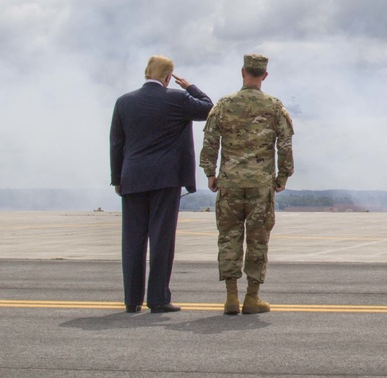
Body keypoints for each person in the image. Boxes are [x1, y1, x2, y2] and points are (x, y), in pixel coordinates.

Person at [110, 55, 213, 313]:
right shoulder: (176, 99)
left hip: (132, 177)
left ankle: (132, 300)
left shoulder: (124, 102)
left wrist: (117, 179)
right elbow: (208, 108)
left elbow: (116, 144)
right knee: (161, 240)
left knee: (132, 241)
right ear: (168, 77)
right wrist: (189, 86)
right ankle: (158, 299)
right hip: (165, 179)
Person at [200, 54, 294, 315]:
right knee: (258, 240)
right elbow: (285, 145)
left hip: (229, 184)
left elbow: (210, 141)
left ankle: (231, 297)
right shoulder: (275, 107)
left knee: (229, 237)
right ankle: (252, 297)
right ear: (264, 75)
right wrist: (282, 177)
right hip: (260, 186)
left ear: (243, 72)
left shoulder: (224, 104)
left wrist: (210, 173)